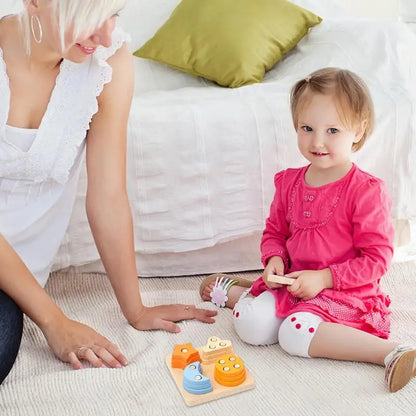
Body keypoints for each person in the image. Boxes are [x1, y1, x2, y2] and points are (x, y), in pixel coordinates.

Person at [0, 0, 217, 385]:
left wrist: (135, 310)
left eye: (114, 12)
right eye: (87, 17)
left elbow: (108, 197)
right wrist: (54, 321)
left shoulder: (108, 60)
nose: (104, 35)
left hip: (13, 285)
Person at [200, 67, 416, 393]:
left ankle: (392, 355)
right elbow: (275, 233)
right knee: (251, 326)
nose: (317, 141)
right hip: (294, 283)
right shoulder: (289, 183)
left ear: (358, 131)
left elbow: (377, 259)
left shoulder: (365, 190)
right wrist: (274, 260)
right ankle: (239, 291)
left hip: (344, 291)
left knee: (294, 332)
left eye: (332, 130)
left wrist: (325, 278)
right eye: (307, 128)